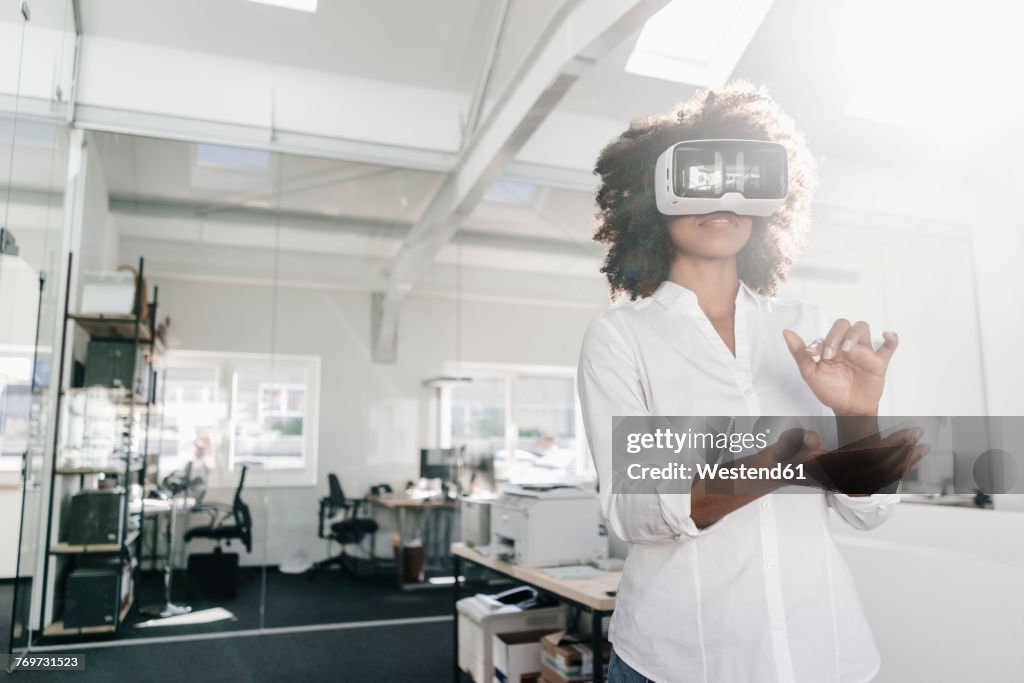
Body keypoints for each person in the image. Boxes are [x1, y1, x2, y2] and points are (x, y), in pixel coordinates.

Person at [577, 82, 927, 683]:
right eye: (699, 181)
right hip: (682, 658)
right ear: (650, 198)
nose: (726, 198)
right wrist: (771, 466)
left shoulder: (807, 328)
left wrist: (858, 417)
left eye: (744, 180)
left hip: (824, 651)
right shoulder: (622, 338)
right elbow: (637, 514)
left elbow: (866, 514)